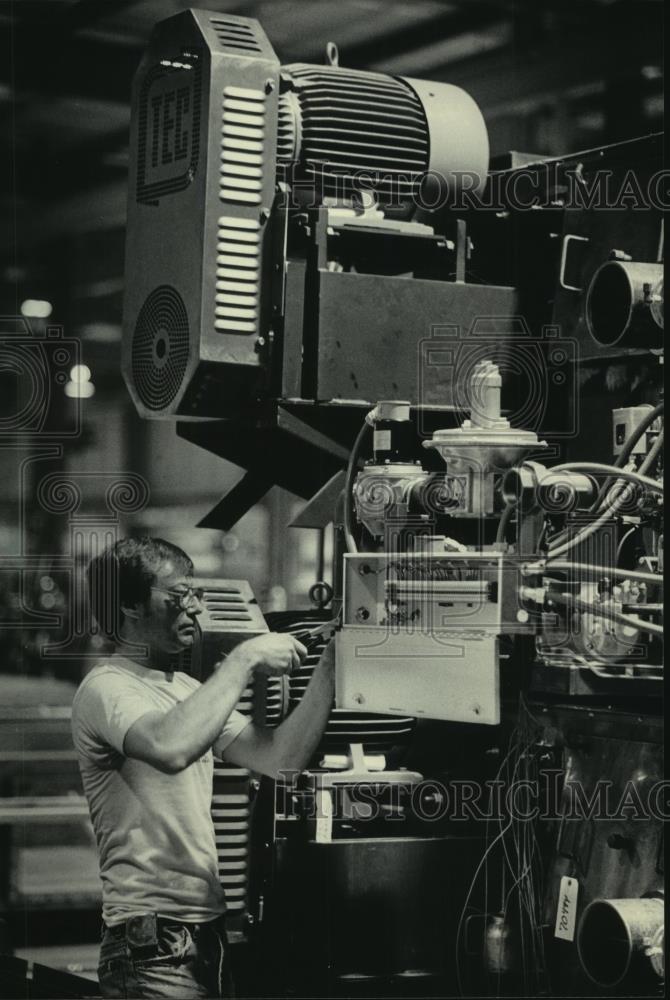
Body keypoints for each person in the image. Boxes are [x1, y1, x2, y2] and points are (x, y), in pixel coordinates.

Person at [71, 537, 334, 999]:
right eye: (177, 596)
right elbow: (169, 747)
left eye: (196, 594)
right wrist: (246, 657)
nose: (193, 608)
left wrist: (332, 668)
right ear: (130, 605)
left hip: (205, 934)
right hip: (151, 942)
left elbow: (279, 758)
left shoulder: (185, 690)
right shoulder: (106, 688)